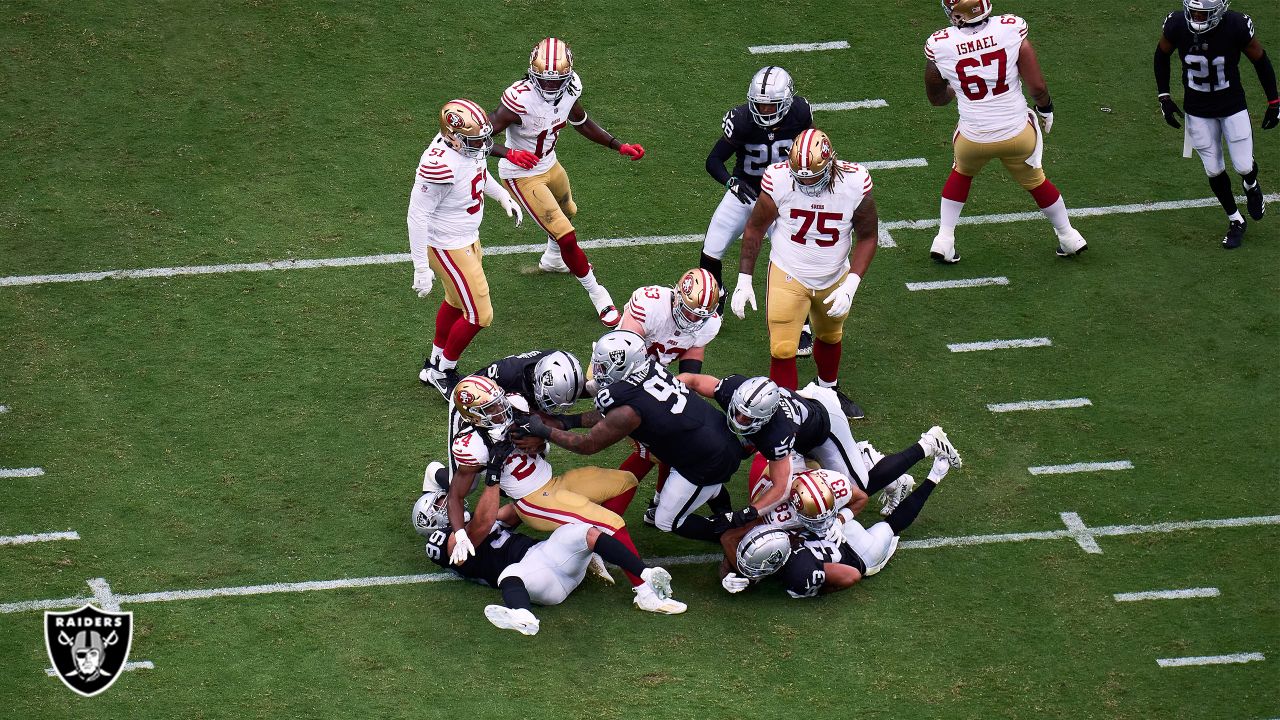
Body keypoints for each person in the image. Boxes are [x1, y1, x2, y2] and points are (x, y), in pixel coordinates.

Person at [437, 375, 664, 602]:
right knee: (611, 523)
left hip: (554, 482)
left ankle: (594, 548)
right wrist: (459, 532)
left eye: (499, 400)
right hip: (533, 501)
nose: (501, 407)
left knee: (624, 482)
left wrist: (540, 441)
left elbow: (548, 426)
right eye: (491, 407)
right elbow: (456, 495)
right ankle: (645, 592)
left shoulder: (514, 403)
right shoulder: (472, 445)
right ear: (474, 416)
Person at [513, 330, 745, 543]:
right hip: (709, 438)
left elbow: (588, 444)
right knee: (705, 485)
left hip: (706, 459)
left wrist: (544, 431)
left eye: (603, 366)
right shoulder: (649, 369)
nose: (597, 370)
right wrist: (566, 421)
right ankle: (720, 503)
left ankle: (728, 533)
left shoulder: (628, 410)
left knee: (666, 520)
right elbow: (612, 414)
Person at [488, 37, 646, 327]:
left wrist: (617, 145)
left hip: (550, 163)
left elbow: (581, 121)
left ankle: (553, 259)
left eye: (555, 81)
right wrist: (509, 152)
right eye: (543, 81)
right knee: (566, 234)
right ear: (532, 75)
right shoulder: (519, 99)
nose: (550, 87)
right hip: (521, 174)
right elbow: (478, 136)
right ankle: (599, 296)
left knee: (569, 211)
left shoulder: (571, 87)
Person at [924, 0, 1088, 263]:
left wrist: (956, 87)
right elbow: (1037, 86)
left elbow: (936, 97)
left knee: (962, 173)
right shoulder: (1010, 28)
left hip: (973, 138)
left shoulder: (940, 43)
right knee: (1036, 181)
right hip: (1017, 133)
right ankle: (1069, 236)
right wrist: (1045, 109)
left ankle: (944, 240)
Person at [413, 482, 685, 636]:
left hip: (549, 554)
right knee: (510, 575)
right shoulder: (448, 544)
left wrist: (531, 488)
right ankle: (523, 614)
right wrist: (492, 477)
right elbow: (481, 524)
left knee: (586, 532)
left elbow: (517, 511)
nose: (447, 504)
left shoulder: (482, 524)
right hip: (540, 580)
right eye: (440, 506)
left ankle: (645, 576)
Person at [729, 129, 873, 418]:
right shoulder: (779, 178)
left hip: (834, 275)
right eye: (800, 176)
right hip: (789, 271)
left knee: (830, 336)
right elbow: (755, 227)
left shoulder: (855, 181)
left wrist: (851, 285)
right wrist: (744, 280)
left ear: (831, 163)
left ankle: (829, 391)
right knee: (783, 348)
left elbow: (868, 236)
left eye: (812, 176)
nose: (805, 182)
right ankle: (787, 408)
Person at [677, 373, 933, 518]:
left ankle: (924, 446)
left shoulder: (778, 433)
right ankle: (862, 459)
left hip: (826, 425)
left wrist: (749, 513)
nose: (739, 420)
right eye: (739, 412)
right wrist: (667, 396)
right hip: (802, 413)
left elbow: (781, 487)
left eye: (748, 418)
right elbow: (692, 380)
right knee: (735, 448)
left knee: (856, 489)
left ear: (765, 418)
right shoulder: (736, 390)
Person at [410, 99, 524, 398]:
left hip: (467, 238)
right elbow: (416, 215)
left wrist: (502, 197)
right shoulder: (439, 163)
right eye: (475, 139)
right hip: (448, 246)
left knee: (456, 302)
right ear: (452, 136)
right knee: (480, 315)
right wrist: (421, 268)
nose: (483, 144)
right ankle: (443, 371)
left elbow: (478, 174)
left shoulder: (467, 148)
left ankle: (434, 362)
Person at [701, 66, 817, 357]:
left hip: (784, 196)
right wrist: (732, 181)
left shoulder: (801, 113)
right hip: (747, 191)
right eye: (760, 103)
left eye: (771, 104)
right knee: (712, 247)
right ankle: (714, 303)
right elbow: (713, 160)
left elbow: (811, 151)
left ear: (787, 102)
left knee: (793, 260)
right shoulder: (741, 120)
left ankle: (802, 323)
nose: (764, 110)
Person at [718, 457, 956, 598]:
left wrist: (840, 519)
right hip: (850, 545)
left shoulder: (797, 571)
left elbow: (851, 575)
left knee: (889, 523)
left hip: (856, 548)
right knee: (890, 526)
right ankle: (934, 476)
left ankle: (874, 460)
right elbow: (740, 547)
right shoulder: (778, 535)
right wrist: (730, 574)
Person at [1155, 0, 1277, 248]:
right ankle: (1235, 220)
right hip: (1197, 110)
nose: (1196, 17)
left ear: (1219, 11)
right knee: (1213, 169)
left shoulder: (1236, 25)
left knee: (1243, 165)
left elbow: (1260, 59)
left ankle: (1251, 185)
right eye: (1193, 11)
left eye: (1203, 13)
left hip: (1232, 105)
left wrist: (1274, 101)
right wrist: (1164, 96)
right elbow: (1161, 54)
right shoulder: (1177, 24)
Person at [616, 268, 724, 522]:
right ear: (677, 296)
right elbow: (624, 354)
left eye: (700, 316)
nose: (692, 320)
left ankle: (658, 501)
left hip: (655, 375)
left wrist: (678, 400)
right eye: (688, 311)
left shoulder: (708, 324)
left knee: (673, 436)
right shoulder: (650, 303)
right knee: (653, 445)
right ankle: (609, 517)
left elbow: (690, 369)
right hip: (617, 368)